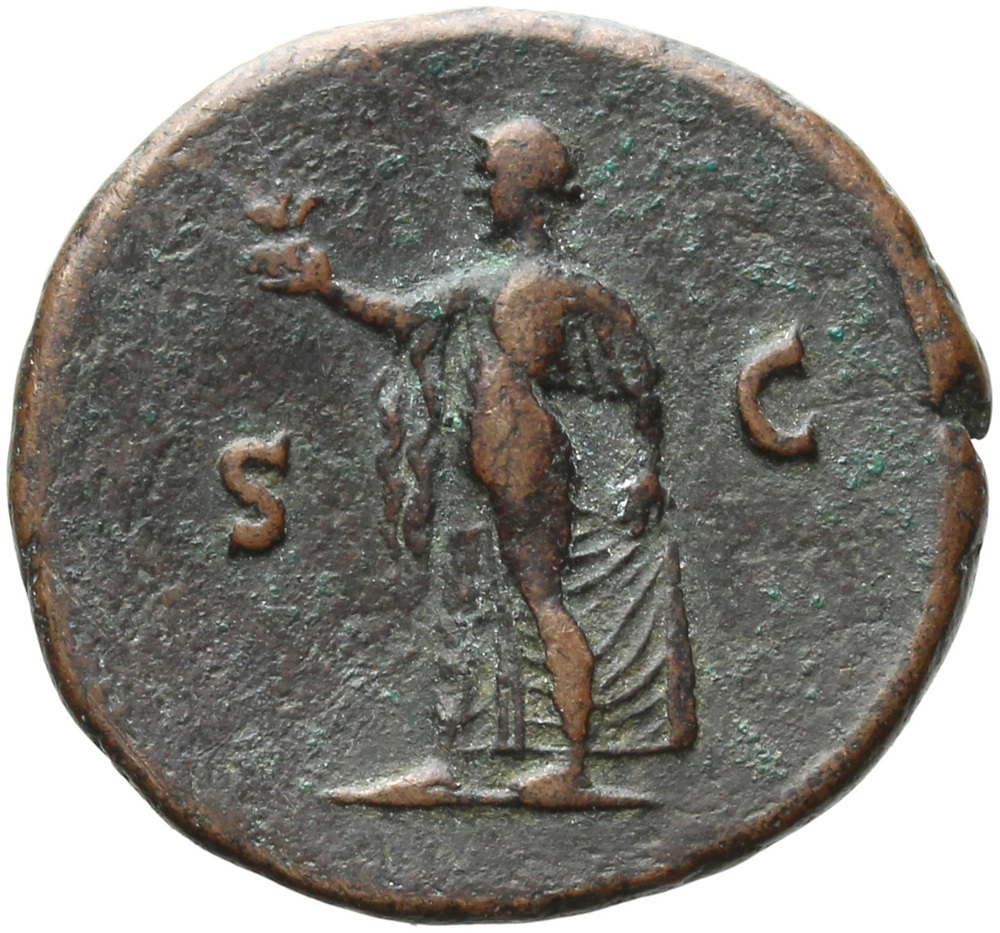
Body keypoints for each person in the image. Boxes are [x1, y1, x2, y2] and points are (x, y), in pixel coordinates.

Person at [249, 118, 666, 806]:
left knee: (541, 600)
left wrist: (648, 468)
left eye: (491, 175)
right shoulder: (530, 284)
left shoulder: (543, 286)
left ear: (526, 190)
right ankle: (450, 761)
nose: (480, 189)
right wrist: (329, 289)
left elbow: (640, 376)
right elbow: (641, 377)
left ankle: (571, 767)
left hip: (522, 458)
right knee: (465, 603)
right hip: (481, 454)